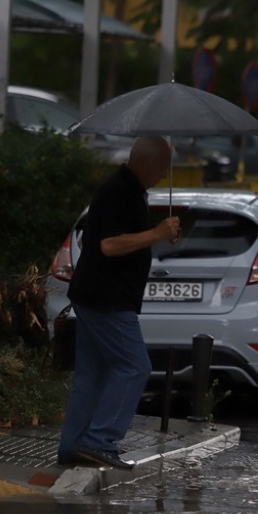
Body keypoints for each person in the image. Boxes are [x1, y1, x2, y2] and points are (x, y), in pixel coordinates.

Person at [57, 136, 180, 470]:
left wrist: (157, 234)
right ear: (144, 162)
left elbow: (105, 239)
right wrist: (156, 233)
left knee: (92, 374)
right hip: (107, 298)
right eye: (162, 167)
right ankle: (99, 440)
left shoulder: (129, 190)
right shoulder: (118, 190)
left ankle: (73, 448)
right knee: (134, 366)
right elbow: (108, 245)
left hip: (96, 295)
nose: (164, 175)